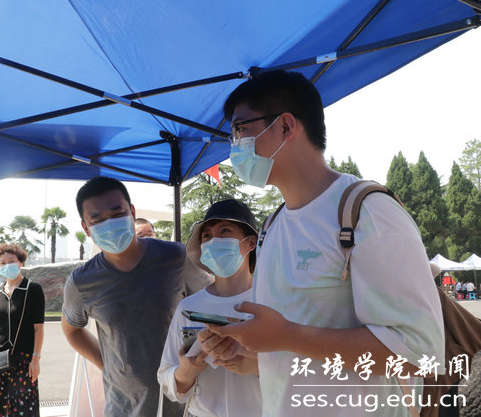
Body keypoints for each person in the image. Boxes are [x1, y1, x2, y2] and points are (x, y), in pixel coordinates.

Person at [203, 70, 444, 416]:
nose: (234, 146)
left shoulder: (367, 212)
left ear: (285, 126)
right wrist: (248, 347)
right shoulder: (271, 227)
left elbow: (419, 353)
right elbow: (299, 352)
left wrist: (286, 336)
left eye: (240, 129)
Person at [62, 176, 211, 417]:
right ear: (86, 228)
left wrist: (191, 358)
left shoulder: (175, 257)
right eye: (97, 220)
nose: (109, 224)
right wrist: (107, 365)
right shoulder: (81, 282)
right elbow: (72, 330)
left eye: (117, 214)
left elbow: (206, 305)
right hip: (124, 407)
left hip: (184, 402)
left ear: (131, 212)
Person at [158, 199, 262, 416]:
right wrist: (187, 371)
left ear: (251, 242)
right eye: (207, 235)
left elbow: (297, 366)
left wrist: (258, 365)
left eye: (225, 231)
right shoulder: (189, 308)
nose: (214, 241)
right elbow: (168, 378)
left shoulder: (270, 303)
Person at [0, 243, 45, 416]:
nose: (7, 265)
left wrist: (36, 359)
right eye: (3, 263)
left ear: (21, 263)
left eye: (12, 261)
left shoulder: (33, 289)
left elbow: (38, 328)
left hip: (24, 361)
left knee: (23, 409)